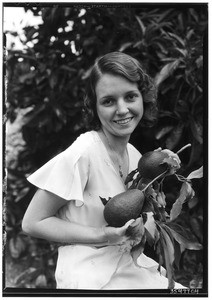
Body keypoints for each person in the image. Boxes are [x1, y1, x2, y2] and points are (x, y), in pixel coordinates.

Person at [22, 52, 185, 290]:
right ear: (94, 107)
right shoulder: (83, 154)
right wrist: (103, 234)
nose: (122, 110)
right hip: (89, 276)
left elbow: (140, 209)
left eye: (130, 96)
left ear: (143, 99)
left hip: (127, 266)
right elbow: (33, 222)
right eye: (108, 101)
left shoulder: (135, 155)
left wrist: (163, 171)